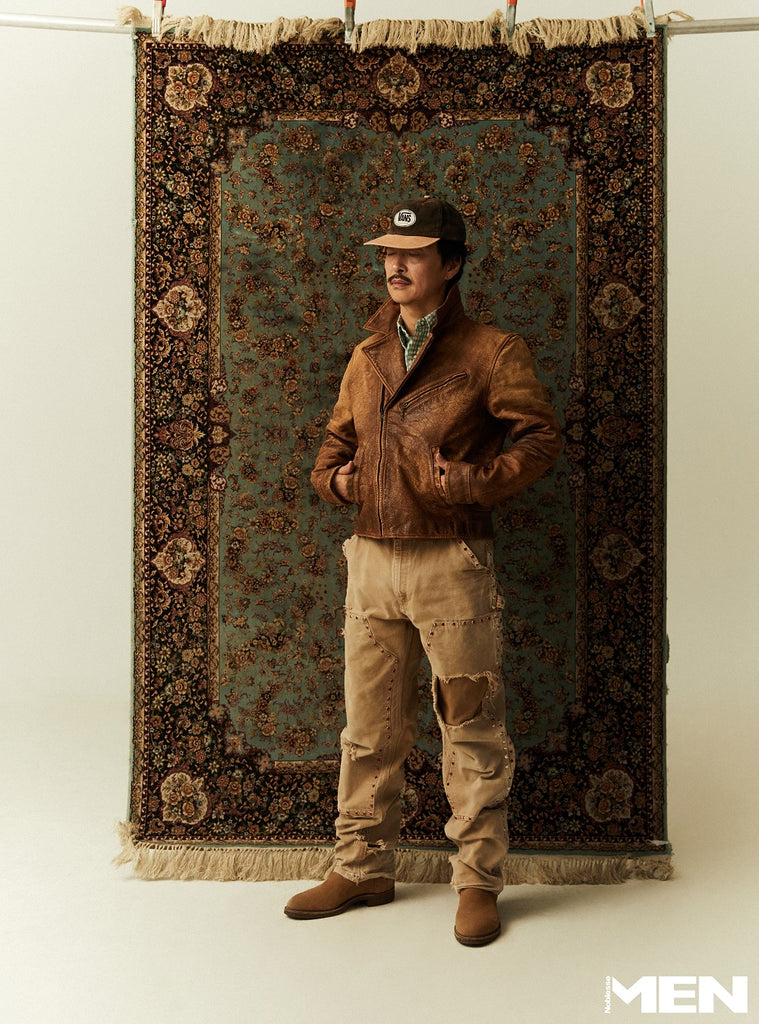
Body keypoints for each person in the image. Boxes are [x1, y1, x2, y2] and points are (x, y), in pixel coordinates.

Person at [284, 197, 562, 945]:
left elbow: (539, 440)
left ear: (452, 263)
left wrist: (474, 482)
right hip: (371, 562)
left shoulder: (491, 351)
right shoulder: (366, 355)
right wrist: (339, 482)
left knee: (469, 726)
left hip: (451, 562)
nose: (395, 265)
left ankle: (476, 881)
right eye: (387, 253)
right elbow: (330, 451)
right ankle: (361, 867)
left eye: (412, 253)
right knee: (368, 728)